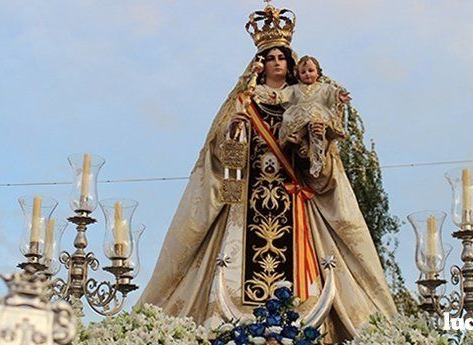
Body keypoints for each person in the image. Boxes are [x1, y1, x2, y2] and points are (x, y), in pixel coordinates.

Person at [136, 4, 397, 343]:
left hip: (293, 201)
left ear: (291, 63)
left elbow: (320, 169)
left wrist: (314, 139)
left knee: (311, 277)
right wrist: (237, 129)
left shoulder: (303, 99)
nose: (276, 62)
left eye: (281, 57)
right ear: (259, 64)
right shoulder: (245, 99)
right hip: (247, 204)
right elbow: (219, 154)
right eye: (270, 57)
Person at [267, 55, 352, 178]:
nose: (307, 74)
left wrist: (339, 96)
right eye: (303, 72)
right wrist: (276, 97)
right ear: (298, 75)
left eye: (311, 71)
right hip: (300, 117)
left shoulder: (324, 88)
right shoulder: (295, 89)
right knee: (303, 117)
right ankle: (302, 143)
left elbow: (333, 93)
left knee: (314, 122)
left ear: (318, 72)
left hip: (318, 117)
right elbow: (284, 94)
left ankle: (317, 157)